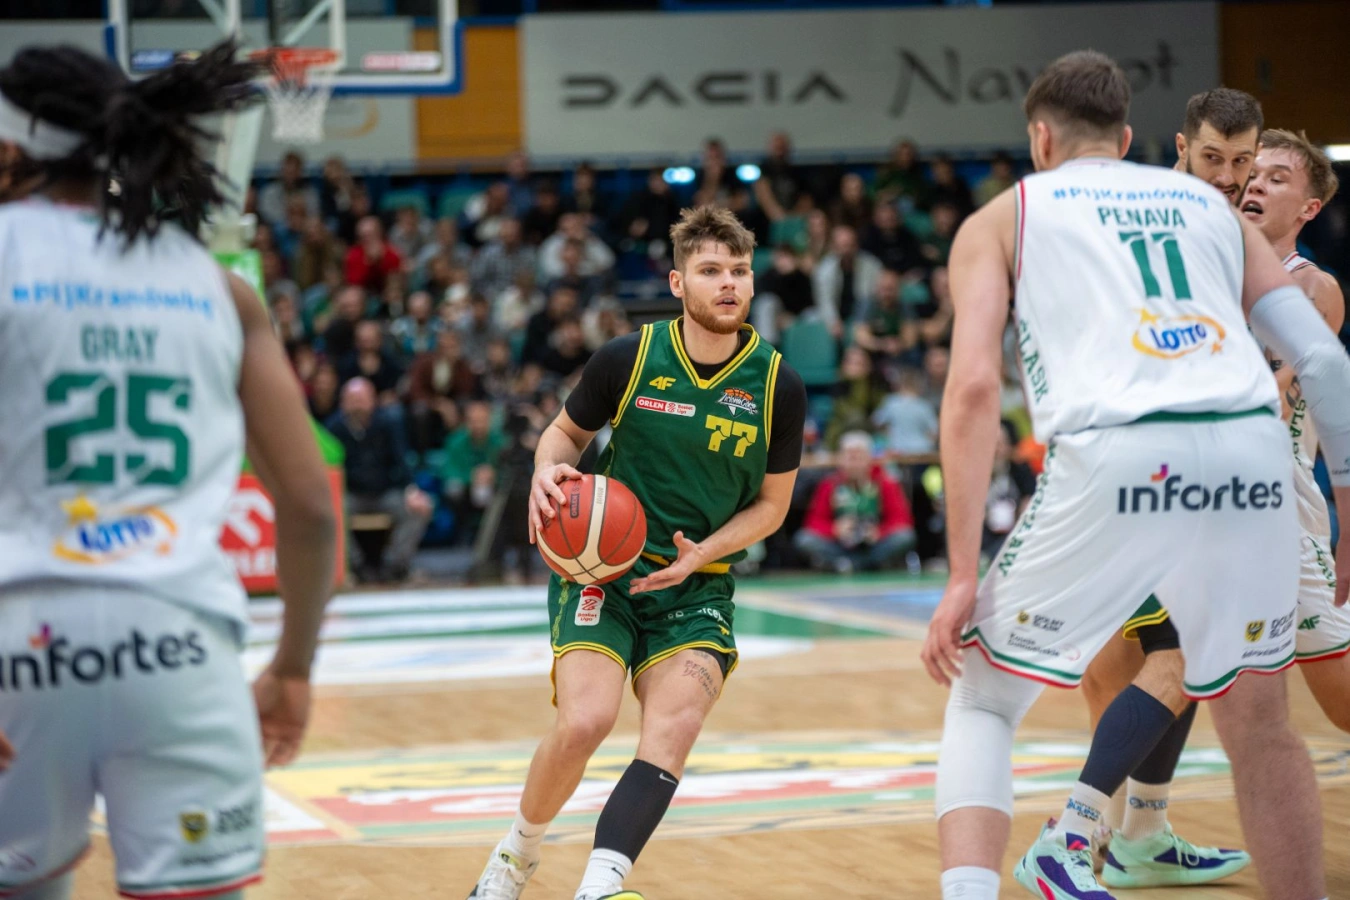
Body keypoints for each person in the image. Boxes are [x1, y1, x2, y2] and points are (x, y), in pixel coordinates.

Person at [922, 51, 1350, 900]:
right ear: (1128, 139)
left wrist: (962, 571)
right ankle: (1139, 831)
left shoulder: (1003, 217)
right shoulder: (1211, 214)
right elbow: (1327, 363)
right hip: (1250, 463)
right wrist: (1345, 503)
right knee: (1260, 725)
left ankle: (1024, 863)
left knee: (983, 697)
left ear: (1040, 139)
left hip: (1123, 452)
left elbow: (971, 389)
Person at [0, 41, 337, 900]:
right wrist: (293, 667)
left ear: (10, 149)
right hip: (179, 645)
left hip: (18, 642)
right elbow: (309, 506)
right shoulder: (216, 286)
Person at [466, 206, 806, 900]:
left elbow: (772, 507)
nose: (728, 283)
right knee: (586, 721)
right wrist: (546, 472)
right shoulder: (629, 358)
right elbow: (563, 436)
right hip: (605, 571)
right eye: (711, 270)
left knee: (674, 726)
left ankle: (600, 886)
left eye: (739, 271)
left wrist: (702, 553)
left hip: (697, 583)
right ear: (678, 283)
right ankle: (513, 859)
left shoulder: (778, 385)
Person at [1045, 128, 1350, 890]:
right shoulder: (1194, 268)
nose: (1255, 183)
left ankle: (1088, 832)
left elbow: (1263, 393)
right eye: (1251, 170)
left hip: (1270, 513)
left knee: (1274, 686)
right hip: (1173, 494)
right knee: (1128, 666)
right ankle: (1130, 833)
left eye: (1275, 176)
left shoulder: (1309, 288)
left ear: (1309, 207)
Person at [1012, 85, 1268, 884]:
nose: (1228, 176)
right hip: (1142, 470)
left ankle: (1141, 833)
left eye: (1243, 162)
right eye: (1213, 157)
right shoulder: (1155, 221)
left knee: (1148, 660)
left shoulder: (1223, 229)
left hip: (1165, 473)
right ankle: (1071, 835)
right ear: (1180, 147)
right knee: (1179, 656)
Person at [329, 378, 432, 583]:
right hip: (351, 493)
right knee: (330, 513)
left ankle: (395, 566)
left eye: (361, 399)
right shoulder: (334, 428)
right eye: (352, 400)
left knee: (420, 508)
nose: (357, 405)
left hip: (385, 492)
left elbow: (401, 458)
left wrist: (411, 490)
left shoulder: (388, 423)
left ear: (372, 400)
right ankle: (355, 567)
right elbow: (331, 465)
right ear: (343, 403)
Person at [794, 431, 915, 574]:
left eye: (859, 457)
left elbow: (902, 520)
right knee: (804, 539)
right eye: (850, 457)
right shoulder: (829, 484)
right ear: (841, 459)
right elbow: (813, 522)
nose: (854, 463)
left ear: (869, 458)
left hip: (875, 546)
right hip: (839, 546)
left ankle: (850, 565)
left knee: (905, 536)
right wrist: (835, 530)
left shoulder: (886, 483)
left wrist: (878, 532)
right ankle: (863, 565)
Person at [1174, 87, 1263, 206]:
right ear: (1182, 148)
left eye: (1240, 160)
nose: (1226, 179)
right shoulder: (1151, 210)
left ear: (1256, 153)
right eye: (1212, 157)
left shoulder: (1259, 211)